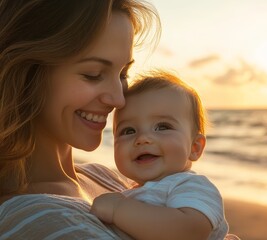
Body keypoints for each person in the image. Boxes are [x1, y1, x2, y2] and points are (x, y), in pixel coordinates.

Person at [0, 0, 161, 238]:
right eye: (93, 74)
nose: (118, 99)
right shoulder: (39, 219)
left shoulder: (102, 176)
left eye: (123, 74)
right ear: (28, 73)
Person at [90, 72, 229, 240]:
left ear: (195, 147)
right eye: (128, 131)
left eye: (162, 127)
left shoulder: (191, 186)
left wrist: (118, 209)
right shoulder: (131, 193)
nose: (142, 139)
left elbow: (189, 232)